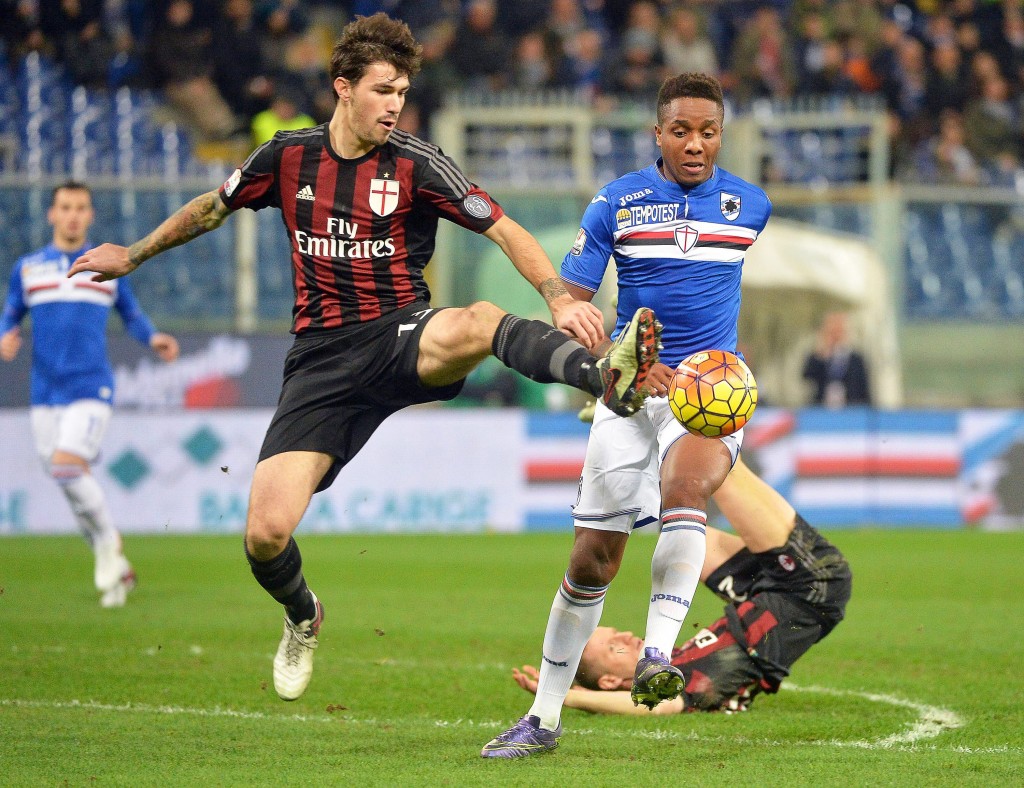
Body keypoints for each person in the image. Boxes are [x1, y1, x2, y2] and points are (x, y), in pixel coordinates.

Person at [68, 13, 660, 702]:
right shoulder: (285, 158)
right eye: (383, 90)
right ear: (342, 87)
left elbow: (502, 227)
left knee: (477, 321)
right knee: (264, 535)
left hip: (401, 332)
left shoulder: (416, 162)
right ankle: (303, 614)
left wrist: (559, 298)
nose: (394, 105)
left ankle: (604, 377)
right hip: (320, 361)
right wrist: (132, 255)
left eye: (403, 93)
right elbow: (210, 209)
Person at [483, 72, 772, 758]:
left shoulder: (750, 206)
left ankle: (654, 656)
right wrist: (617, 352)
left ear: (720, 135)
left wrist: (705, 363)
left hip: (707, 391)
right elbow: (575, 306)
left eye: (708, 131)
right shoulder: (617, 203)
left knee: (686, 489)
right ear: (658, 134)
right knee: (592, 561)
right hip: (628, 390)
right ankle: (544, 720)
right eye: (681, 130)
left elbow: (716, 294)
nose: (695, 144)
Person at [509, 458, 852, 716]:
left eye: (616, 632)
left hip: (762, 593)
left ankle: (647, 436)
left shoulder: (673, 658)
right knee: (717, 461)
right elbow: (665, 706)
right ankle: (660, 418)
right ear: (611, 683)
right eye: (614, 645)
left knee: (679, 529)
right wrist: (564, 696)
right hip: (812, 585)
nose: (626, 636)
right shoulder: (678, 685)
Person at [0, 181, 180, 607]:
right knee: (65, 476)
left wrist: (152, 338)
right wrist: (5, 335)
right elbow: (10, 313)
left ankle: (105, 548)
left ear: (90, 215)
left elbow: (130, 313)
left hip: (91, 387)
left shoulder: (106, 266)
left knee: (66, 468)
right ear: (52, 214)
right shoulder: (28, 268)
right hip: (45, 393)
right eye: (65, 207)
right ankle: (118, 566)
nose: (73, 215)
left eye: (81, 207)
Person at [801, 311, 872, 408]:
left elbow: (864, 387)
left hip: (851, 409)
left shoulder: (856, 359)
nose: (836, 334)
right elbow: (807, 376)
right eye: (832, 330)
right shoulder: (819, 355)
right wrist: (822, 354)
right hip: (823, 409)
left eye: (839, 329)